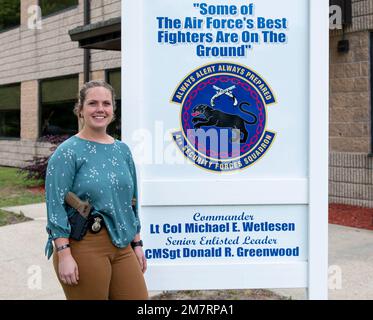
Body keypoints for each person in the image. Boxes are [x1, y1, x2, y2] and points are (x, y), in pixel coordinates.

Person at [44, 80, 148, 300]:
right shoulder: (68, 152)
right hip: (84, 245)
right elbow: (55, 206)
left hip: (122, 245)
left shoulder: (122, 150)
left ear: (113, 110)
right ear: (80, 110)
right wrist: (64, 254)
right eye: (92, 103)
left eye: (106, 103)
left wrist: (137, 243)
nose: (100, 109)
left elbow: (131, 201)